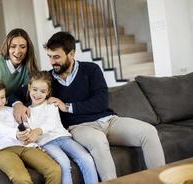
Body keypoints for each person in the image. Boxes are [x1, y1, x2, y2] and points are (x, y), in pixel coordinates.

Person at [12, 31, 166, 181]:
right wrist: (18, 104)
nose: (52, 62)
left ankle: (162, 180)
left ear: (71, 54)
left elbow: (101, 102)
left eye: (57, 57)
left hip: (109, 121)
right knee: (98, 141)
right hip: (80, 127)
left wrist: (67, 107)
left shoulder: (91, 70)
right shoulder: (48, 79)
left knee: (149, 132)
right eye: (50, 57)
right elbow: (15, 93)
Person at [0, 75, 61, 184]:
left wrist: (33, 143)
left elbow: (24, 126)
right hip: (1, 151)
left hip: (23, 146)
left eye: (2, 97)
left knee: (54, 170)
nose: (0, 102)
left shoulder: (10, 110)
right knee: (22, 179)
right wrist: (16, 134)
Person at [19, 71, 98, 184]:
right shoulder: (26, 111)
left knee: (86, 159)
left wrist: (38, 130)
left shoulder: (51, 105)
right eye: (35, 89)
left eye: (43, 91)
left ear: (48, 92)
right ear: (29, 87)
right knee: (63, 163)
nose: (38, 94)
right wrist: (34, 144)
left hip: (63, 138)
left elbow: (52, 123)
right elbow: (28, 133)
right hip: (46, 143)